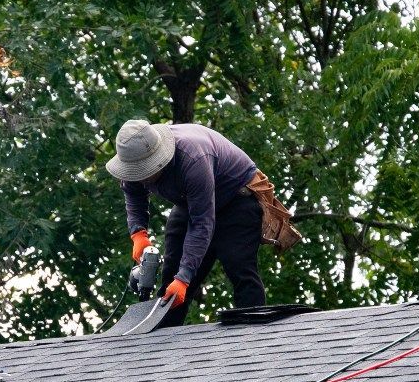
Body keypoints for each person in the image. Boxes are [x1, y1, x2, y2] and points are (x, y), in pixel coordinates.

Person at [106, 119, 300, 327]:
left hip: (236, 201)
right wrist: (138, 234)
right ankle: (161, 343)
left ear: (158, 159)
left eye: (145, 171)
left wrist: (185, 278)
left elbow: (202, 224)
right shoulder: (134, 157)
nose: (141, 176)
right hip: (190, 203)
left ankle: (251, 337)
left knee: (239, 267)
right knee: (170, 280)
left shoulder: (193, 158)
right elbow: (133, 193)